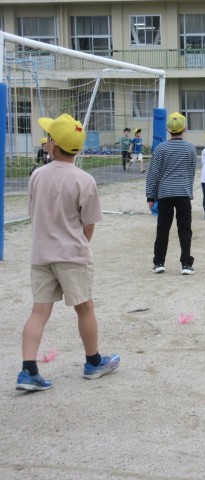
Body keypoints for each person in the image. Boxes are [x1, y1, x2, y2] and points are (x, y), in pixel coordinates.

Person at [16, 113, 120, 391]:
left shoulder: (37, 175)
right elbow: (89, 223)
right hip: (72, 253)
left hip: (41, 254)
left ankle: (28, 370)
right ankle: (93, 362)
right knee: (84, 307)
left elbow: (33, 213)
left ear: (53, 145)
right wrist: (82, 243)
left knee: (39, 311)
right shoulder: (84, 180)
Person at [146, 112, 197, 275]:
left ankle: (159, 262)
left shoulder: (161, 148)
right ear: (184, 128)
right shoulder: (191, 148)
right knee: (185, 229)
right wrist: (188, 189)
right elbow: (191, 171)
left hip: (165, 193)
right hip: (183, 192)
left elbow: (153, 172)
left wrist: (150, 195)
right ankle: (186, 264)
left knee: (163, 228)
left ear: (168, 130)